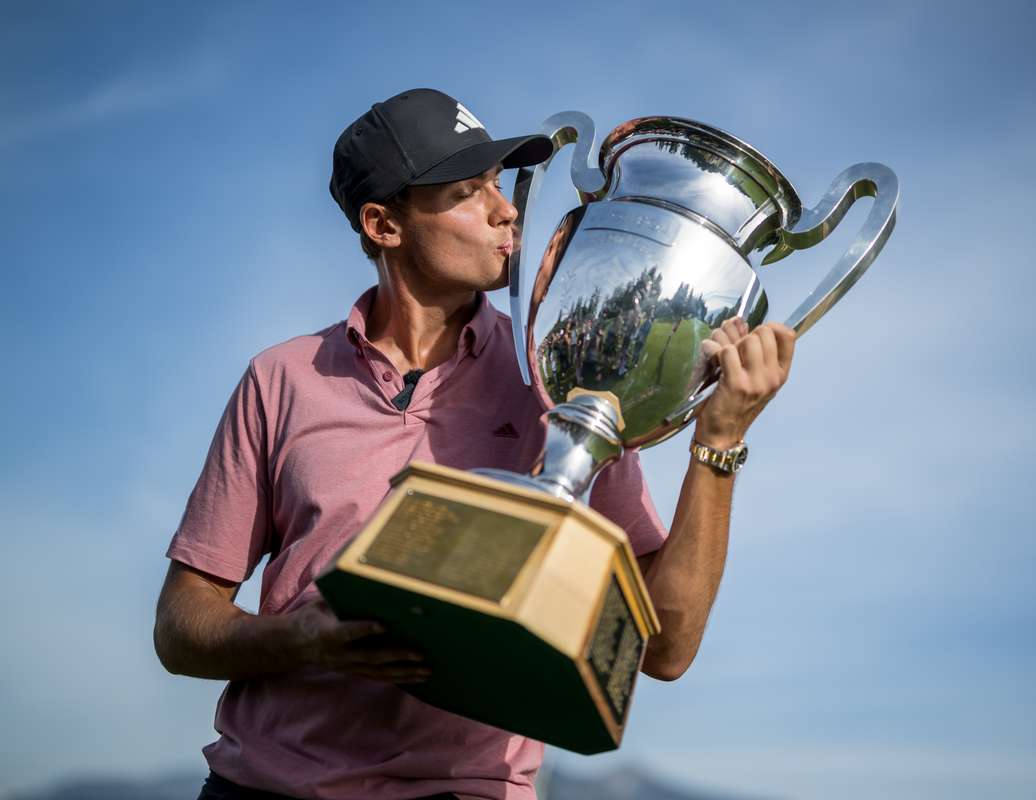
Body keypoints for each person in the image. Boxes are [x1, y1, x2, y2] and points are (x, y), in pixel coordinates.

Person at [154, 88, 796, 800]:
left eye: (500, 185)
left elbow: (666, 648)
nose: (506, 209)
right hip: (264, 790)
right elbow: (182, 625)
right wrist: (296, 639)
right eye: (468, 192)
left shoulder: (565, 369)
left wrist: (719, 440)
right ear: (383, 224)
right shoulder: (282, 379)